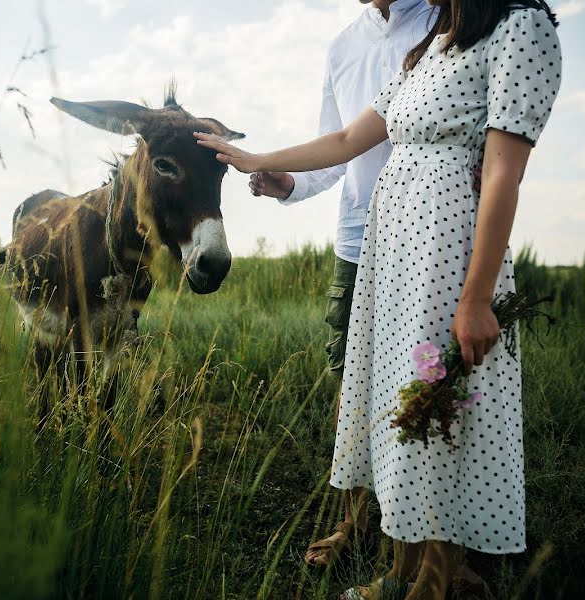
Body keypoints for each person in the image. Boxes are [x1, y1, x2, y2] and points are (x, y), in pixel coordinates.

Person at [195, 1, 562, 598]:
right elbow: (345, 139)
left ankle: (435, 586)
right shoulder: (436, 44)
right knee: (396, 408)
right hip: (390, 261)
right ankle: (398, 572)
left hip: (445, 258)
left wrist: (475, 297)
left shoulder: (520, 26)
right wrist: (256, 159)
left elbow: (501, 174)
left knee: (444, 413)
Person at [248, 0, 434, 568]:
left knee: (433, 383)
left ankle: (438, 542)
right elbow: (333, 154)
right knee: (351, 386)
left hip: (428, 241)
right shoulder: (342, 46)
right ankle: (357, 522)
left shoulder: (445, 20)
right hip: (358, 243)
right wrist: (286, 184)